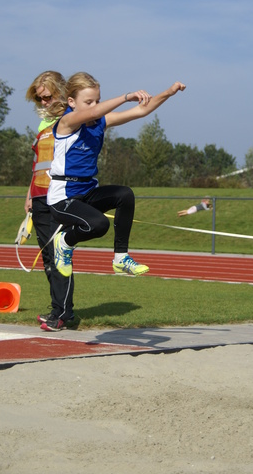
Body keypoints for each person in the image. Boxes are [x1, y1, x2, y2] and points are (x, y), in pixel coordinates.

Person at [42, 73, 186, 331]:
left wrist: (168, 92)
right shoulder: (67, 122)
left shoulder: (99, 122)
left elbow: (142, 111)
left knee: (124, 194)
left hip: (86, 192)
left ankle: (121, 257)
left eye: (96, 99)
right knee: (98, 225)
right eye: (89, 102)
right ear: (72, 102)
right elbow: (96, 112)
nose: (94, 106)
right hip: (63, 197)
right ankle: (65, 243)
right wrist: (126, 95)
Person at [25, 71, 76, 324]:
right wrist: (29, 196)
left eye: (47, 97)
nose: (43, 103)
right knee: (47, 257)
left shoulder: (71, 119)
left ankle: (65, 313)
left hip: (58, 196)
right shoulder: (43, 125)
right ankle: (58, 309)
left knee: (59, 254)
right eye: (39, 99)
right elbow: (38, 163)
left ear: (61, 92)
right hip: (39, 197)